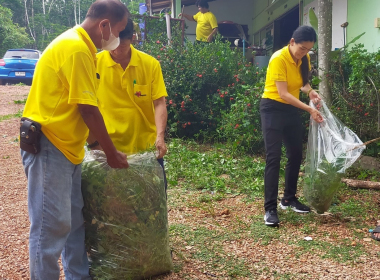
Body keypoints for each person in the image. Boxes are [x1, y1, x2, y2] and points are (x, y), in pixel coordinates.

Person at [20, 1, 130, 279]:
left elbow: (78, 105)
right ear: (104, 25)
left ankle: (78, 276)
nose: (116, 37)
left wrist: (93, 145)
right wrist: (111, 153)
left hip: (67, 148)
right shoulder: (77, 49)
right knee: (49, 229)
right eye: (117, 30)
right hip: (50, 146)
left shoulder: (81, 47)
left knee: (72, 222)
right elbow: (88, 110)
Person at [89, 18, 168, 185]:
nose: (116, 50)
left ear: (132, 38)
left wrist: (160, 137)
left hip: (145, 149)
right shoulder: (94, 64)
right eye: (112, 45)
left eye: (122, 45)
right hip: (108, 149)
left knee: (153, 204)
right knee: (112, 204)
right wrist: (95, 143)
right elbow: (86, 106)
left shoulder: (150, 64)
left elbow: (159, 102)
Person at [260, 25, 323, 227]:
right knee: (274, 157)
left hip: (291, 109)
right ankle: (270, 208)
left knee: (295, 153)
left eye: (309, 50)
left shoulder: (304, 58)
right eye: (302, 48)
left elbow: (301, 84)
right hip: (272, 108)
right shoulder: (278, 58)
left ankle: (288, 199)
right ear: (292, 42)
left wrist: (311, 91)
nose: (305, 53)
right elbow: (284, 93)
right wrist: (310, 110)